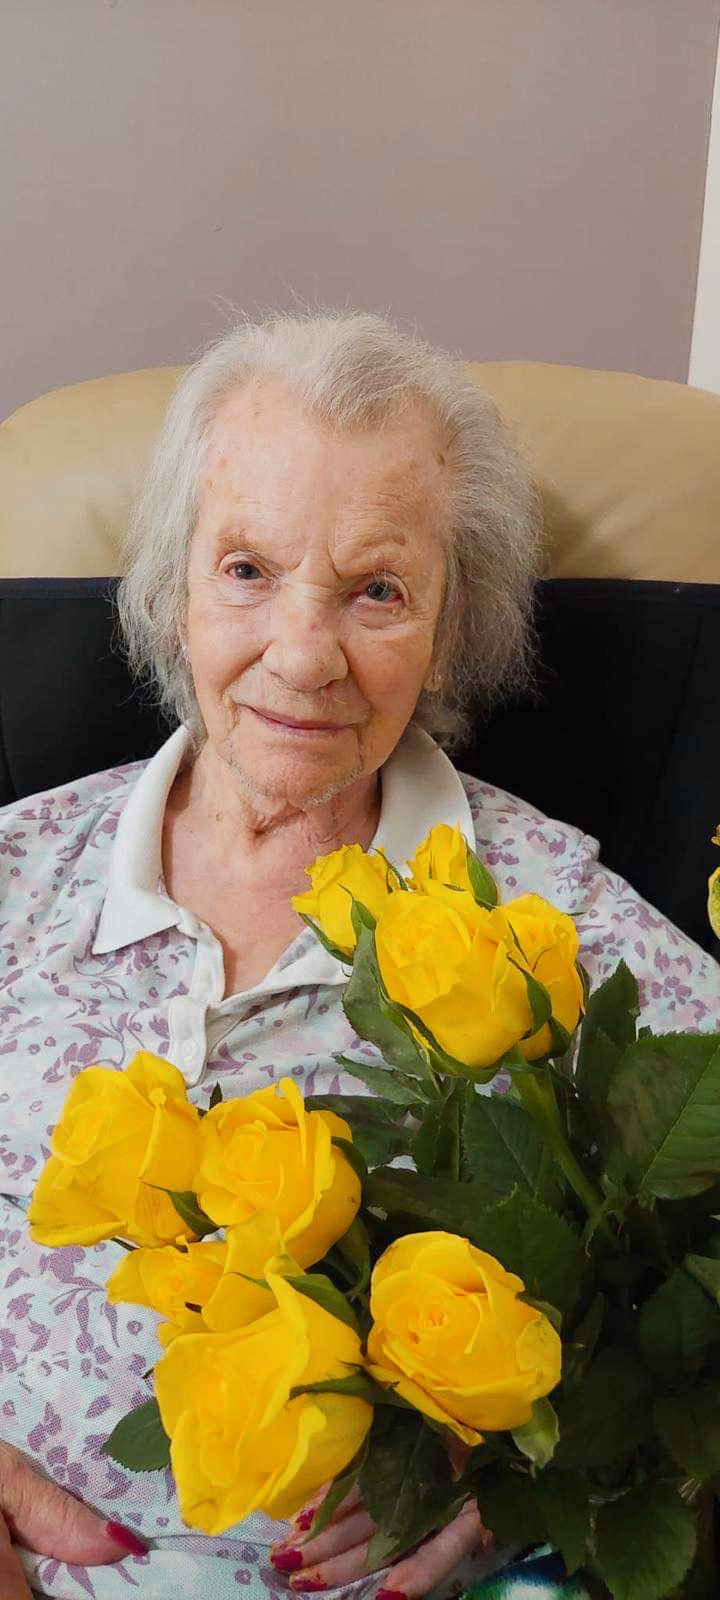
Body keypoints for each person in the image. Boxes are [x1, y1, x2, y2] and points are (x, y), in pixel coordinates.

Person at [0, 311, 717, 1600]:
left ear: (452, 625)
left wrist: (547, 1457)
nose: (302, 654)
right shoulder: (15, 871)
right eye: (246, 570)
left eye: (378, 590)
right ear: (171, 586)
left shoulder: (551, 927)